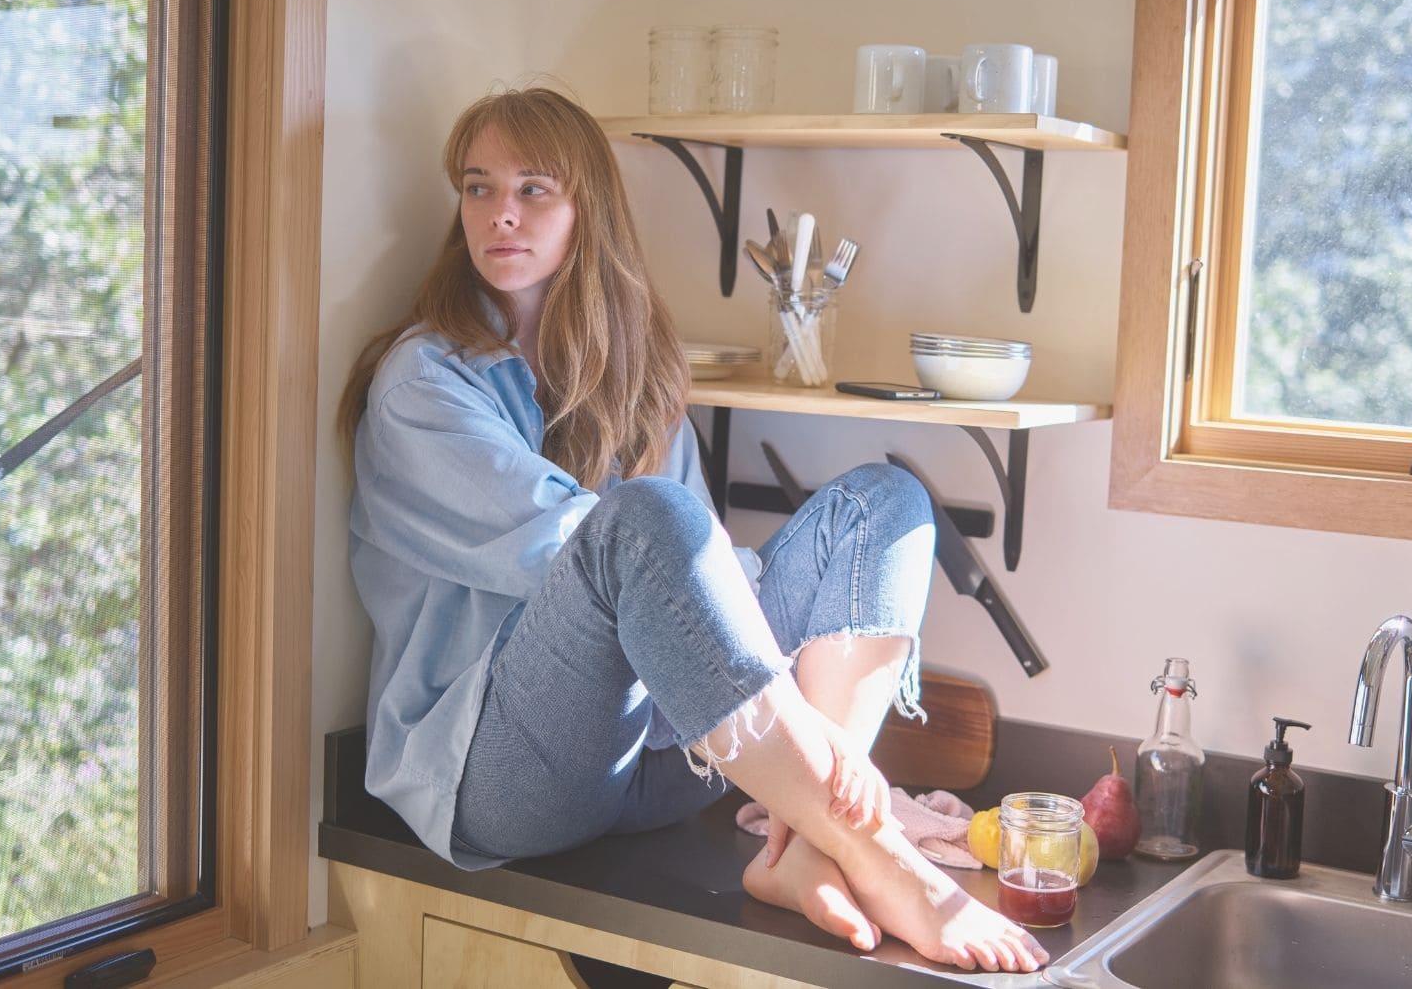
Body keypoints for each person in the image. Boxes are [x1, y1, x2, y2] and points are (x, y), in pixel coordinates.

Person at [337, 85, 1047, 973]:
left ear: (585, 208)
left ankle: (806, 846)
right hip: (501, 777)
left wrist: (771, 697)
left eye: (533, 189)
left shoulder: (631, 372)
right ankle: (873, 851)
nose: (500, 215)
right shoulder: (422, 386)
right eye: (479, 188)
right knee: (646, 518)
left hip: (664, 762)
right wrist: (801, 722)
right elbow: (590, 549)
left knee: (886, 502)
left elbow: (694, 578)